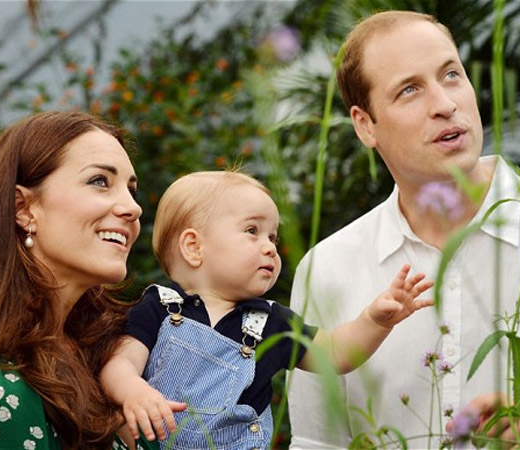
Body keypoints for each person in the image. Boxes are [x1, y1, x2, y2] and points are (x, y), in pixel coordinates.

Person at [287, 10, 520, 449]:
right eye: (410, 89)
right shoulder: (326, 270)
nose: (444, 104)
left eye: (451, 75)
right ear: (365, 124)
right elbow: (317, 443)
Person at [99, 170, 434, 450]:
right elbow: (120, 363)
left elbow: (335, 354)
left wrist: (373, 320)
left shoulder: (271, 321)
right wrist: (133, 391)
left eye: (272, 237)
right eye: (252, 231)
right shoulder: (159, 306)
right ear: (194, 247)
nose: (270, 248)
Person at [0, 111, 152, 449]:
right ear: (23, 209)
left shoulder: (118, 363)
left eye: (131, 190)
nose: (132, 208)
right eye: (99, 181)